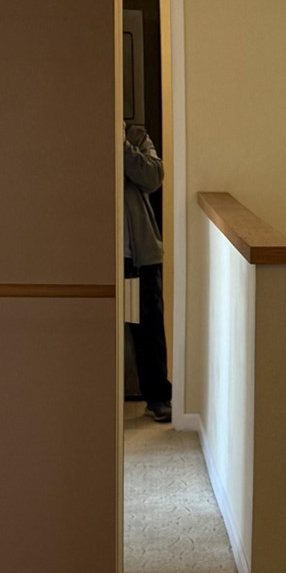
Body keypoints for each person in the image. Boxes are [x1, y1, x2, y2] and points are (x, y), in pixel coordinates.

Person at [123, 119, 172, 423]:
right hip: (95, 259)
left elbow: (153, 177)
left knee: (146, 327)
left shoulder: (137, 135)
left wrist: (122, 146)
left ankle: (156, 396)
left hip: (136, 256)